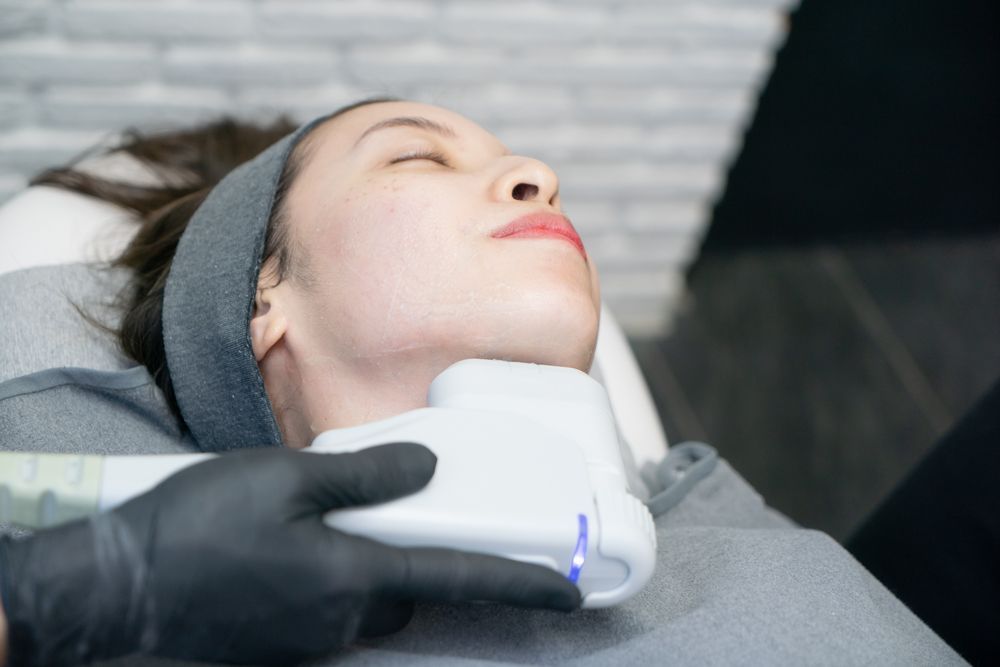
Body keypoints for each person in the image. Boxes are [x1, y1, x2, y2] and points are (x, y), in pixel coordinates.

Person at [0, 99, 966, 666]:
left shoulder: (750, 562)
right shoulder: (98, 561)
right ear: (263, 295)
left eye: (519, 164)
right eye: (418, 154)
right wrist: (58, 601)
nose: (537, 174)